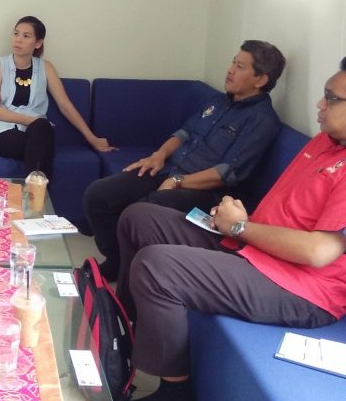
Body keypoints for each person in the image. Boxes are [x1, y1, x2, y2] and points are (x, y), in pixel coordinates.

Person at [114, 58, 346, 401]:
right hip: (256, 247)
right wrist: (237, 219)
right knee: (139, 217)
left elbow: (318, 252)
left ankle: (175, 399)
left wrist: (239, 227)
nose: (320, 105)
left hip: (301, 287)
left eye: (331, 99)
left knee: (156, 266)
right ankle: (126, 327)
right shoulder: (325, 142)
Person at [82, 40, 286, 281]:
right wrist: (158, 155)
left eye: (239, 67)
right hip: (171, 170)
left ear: (260, 79)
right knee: (99, 194)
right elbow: (185, 133)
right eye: (233, 63)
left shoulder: (262, 121)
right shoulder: (220, 101)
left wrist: (179, 181)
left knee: (139, 210)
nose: (230, 70)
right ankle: (117, 260)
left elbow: (227, 173)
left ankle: (133, 273)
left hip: (207, 193)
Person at [0, 16, 114, 178]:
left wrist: (92, 139)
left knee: (41, 134)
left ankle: (33, 187)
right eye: (16, 33)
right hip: (0, 134)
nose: (18, 39)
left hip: (36, 134)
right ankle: (38, 190)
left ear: (38, 43)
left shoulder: (46, 68)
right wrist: (33, 121)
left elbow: (65, 105)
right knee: (41, 138)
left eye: (26, 36)